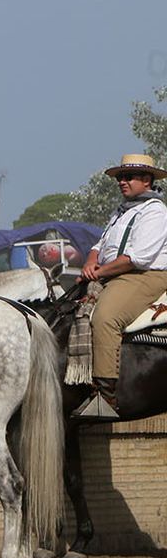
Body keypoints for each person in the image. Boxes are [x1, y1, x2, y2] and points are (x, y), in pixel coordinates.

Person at [82, 154, 167, 418]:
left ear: (146, 180)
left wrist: (98, 273)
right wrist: (91, 261)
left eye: (128, 177)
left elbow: (136, 258)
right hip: (114, 274)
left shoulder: (155, 212)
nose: (122, 182)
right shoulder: (120, 211)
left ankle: (105, 397)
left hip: (144, 275)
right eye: (120, 177)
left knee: (106, 318)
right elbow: (100, 245)